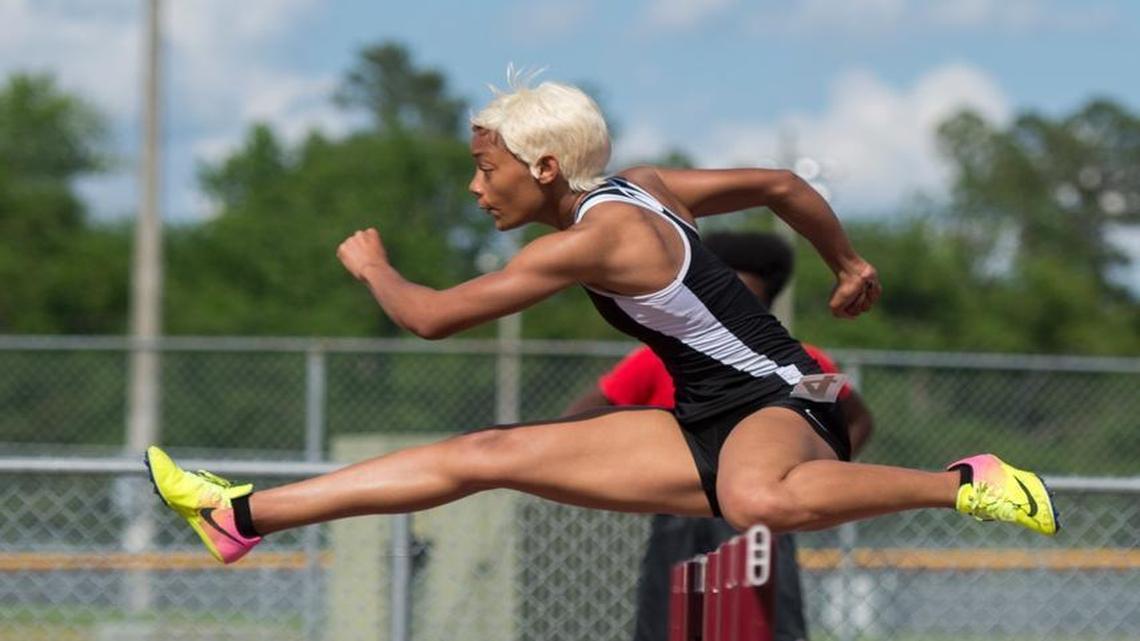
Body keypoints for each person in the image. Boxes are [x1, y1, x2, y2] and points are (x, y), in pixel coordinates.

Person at [144, 72, 1057, 570]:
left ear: (544, 167)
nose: (475, 184)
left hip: (782, 401)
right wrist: (847, 261)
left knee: (757, 501)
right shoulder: (647, 186)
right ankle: (242, 515)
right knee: (484, 454)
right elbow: (782, 185)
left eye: (485, 167)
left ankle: (966, 479)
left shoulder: (592, 240)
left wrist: (374, 266)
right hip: (704, 415)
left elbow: (430, 319)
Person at [563, 231, 873, 641]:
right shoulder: (662, 358)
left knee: (770, 626)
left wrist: (814, 476)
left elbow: (853, 418)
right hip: (683, 509)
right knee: (669, 626)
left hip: (759, 513)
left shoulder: (806, 365)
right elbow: (582, 415)